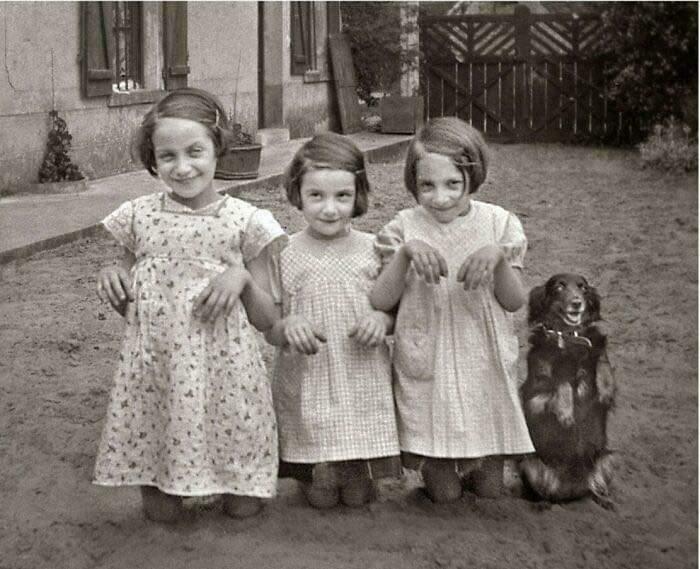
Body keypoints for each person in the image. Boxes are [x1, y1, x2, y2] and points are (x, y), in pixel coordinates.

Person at [94, 88, 286, 522]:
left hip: (225, 376)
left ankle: (233, 473)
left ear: (217, 146)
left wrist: (240, 279)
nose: (182, 168)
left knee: (243, 508)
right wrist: (112, 276)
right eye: (167, 156)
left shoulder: (247, 222)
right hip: (158, 372)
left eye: (195, 151)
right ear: (152, 158)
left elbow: (268, 320)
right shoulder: (137, 217)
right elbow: (129, 296)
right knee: (160, 513)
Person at [369, 117, 534, 504]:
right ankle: (436, 474)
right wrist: (406, 255)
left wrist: (497, 258)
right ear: (413, 182)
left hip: (483, 355)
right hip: (429, 354)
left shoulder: (499, 224)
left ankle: (485, 469)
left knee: (491, 489)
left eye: (453, 185)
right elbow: (380, 301)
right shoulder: (402, 228)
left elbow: (514, 301)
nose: (439, 197)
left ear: (472, 178)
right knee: (444, 493)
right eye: (427, 185)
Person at [265, 132, 401, 509]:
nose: (329, 209)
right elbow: (270, 326)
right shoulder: (283, 252)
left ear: (358, 194)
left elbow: (393, 312)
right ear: (297, 193)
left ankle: (358, 477)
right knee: (321, 497)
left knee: (358, 495)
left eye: (342, 196)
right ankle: (313, 474)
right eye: (316, 196)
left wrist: (380, 319)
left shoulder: (376, 249)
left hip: (360, 375)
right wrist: (287, 326)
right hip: (308, 377)